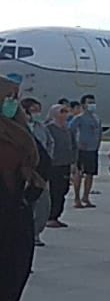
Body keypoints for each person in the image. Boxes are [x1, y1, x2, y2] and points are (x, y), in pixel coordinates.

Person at [1, 73, 45, 301]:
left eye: (14, 96)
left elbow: (45, 164)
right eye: (6, 95)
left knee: (9, 287)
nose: (11, 101)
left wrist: (31, 188)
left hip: (15, 218)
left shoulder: (21, 131)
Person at [21, 99, 53, 246]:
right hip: (21, 173)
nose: (36, 113)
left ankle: (36, 233)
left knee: (43, 205)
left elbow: (50, 143)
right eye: (33, 109)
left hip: (40, 172)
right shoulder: (17, 128)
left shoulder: (41, 127)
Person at [68, 93, 102, 209]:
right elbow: (70, 131)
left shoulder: (97, 118)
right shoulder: (79, 118)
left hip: (93, 150)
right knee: (79, 173)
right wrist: (75, 144)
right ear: (83, 105)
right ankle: (77, 198)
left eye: (93, 102)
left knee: (90, 174)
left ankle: (86, 197)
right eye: (89, 103)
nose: (92, 105)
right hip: (82, 149)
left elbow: (99, 133)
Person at [44, 104, 75, 228]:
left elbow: (73, 146)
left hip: (65, 164)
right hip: (53, 164)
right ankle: (50, 216)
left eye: (66, 112)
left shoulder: (68, 129)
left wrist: (74, 162)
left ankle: (56, 216)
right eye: (61, 112)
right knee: (54, 191)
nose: (64, 114)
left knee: (63, 190)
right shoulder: (49, 128)